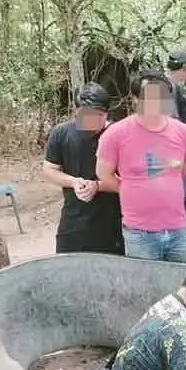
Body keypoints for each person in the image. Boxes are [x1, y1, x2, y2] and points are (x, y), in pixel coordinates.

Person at [96, 70, 186, 263]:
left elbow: (184, 169)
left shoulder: (183, 132)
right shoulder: (115, 134)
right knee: (144, 282)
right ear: (135, 99)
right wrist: (132, 187)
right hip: (139, 234)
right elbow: (104, 174)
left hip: (179, 229)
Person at [41, 82, 124, 255]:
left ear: (106, 114)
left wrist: (97, 186)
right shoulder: (61, 133)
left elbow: (130, 182)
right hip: (73, 223)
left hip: (113, 224)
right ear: (76, 111)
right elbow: (49, 169)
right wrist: (73, 181)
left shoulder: (118, 135)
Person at [165, 49, 186, 225]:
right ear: (185, 68)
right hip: (176, 157)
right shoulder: (171, 88)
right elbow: (173, 124)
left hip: (172, 156)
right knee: (181, 200)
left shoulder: (168, 86)